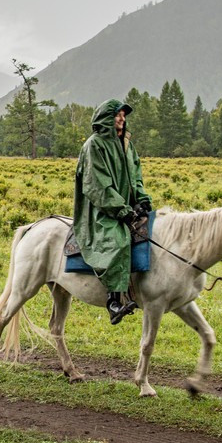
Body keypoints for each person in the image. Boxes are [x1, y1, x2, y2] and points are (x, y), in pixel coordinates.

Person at [73, 99, 153, 325]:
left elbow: (136, 176)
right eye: (117, 115)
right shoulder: (94, 145)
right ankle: (114, 301)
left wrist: (142, 200)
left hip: (125, 206)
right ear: (106, 118)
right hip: (101, 210)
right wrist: (122, 210)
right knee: (117, 239)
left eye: (124, 115)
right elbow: (97, 186)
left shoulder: (126, 144)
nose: (122, 119)